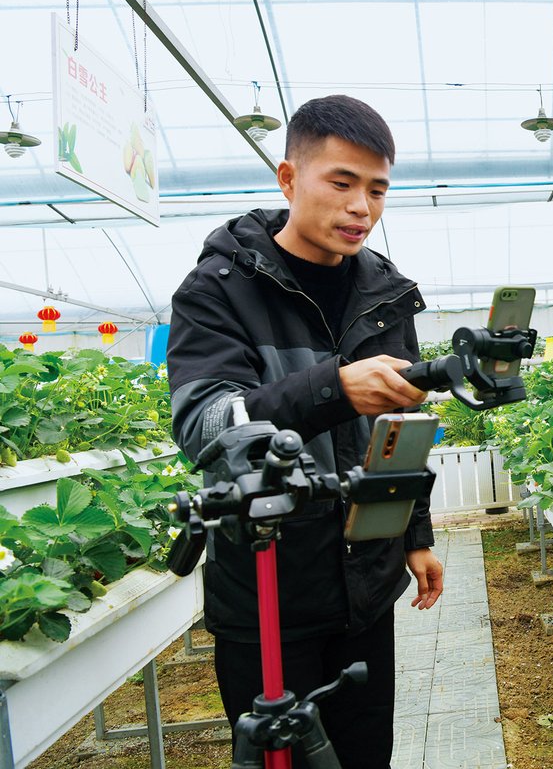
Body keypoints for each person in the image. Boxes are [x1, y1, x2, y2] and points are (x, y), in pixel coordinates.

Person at [166, 94, 443, 768]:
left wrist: (415, 533)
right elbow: (205, 424)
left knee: (365, 754)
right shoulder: (218, 290)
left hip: (366, 591)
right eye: (341, 182)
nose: (362, 208)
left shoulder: (387, 294)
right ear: (290, 179)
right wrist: (333, 386)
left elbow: (399, 428)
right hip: (269, 592)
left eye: (377, 189)